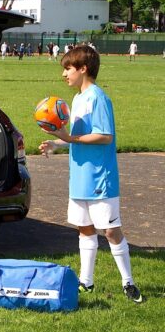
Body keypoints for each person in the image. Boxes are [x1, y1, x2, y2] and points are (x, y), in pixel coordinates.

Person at [39, 45, 143, 303]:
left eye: (68, 68)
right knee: (84, 229)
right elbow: (78, 136)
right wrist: (57, 143)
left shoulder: (98, 98)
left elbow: (104, 136)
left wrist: (69, 138)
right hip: (79, 177)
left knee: (110, 231)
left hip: (100, 178)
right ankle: (86, 282)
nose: (64, 74)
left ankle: (128, 282)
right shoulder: (77, 99)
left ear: (83, 69)